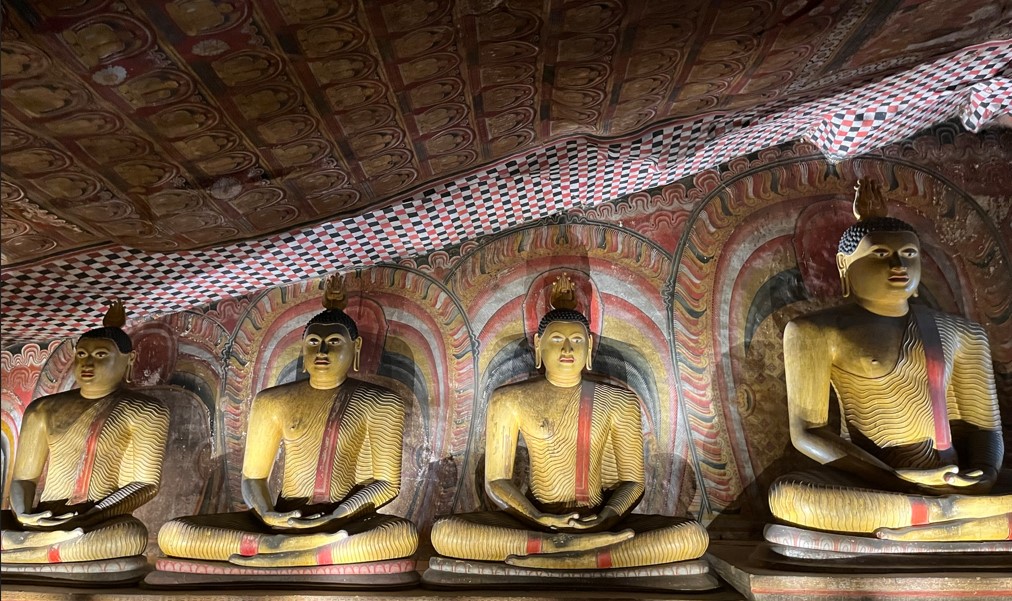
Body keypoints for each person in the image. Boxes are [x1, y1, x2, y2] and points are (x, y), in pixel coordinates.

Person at [769, 179, 1010, 543]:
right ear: (844, 266)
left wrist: (986, 474)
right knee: (787, 496)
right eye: (880, 254)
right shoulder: (814, 332)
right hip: (877, 480)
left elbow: (984, 428)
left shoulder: (963, 332)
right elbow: (808, 432)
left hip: (954, 476)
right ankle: (958, 520)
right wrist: (895, 479)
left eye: (909, 254)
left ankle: (939, 519)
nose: (898, 263)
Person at [430, 274, 709, 569]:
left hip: (599, 521)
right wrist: (538, 517)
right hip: (535, 520)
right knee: (445, 533)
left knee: (690, 536)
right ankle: (577, 552)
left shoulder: (619, 401)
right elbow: (497, 481)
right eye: (557, 340)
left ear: (589, 347)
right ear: (539, 345)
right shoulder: (509, 399)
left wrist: (606, 517)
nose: (567, 350)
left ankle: (559, 553)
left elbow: (632, 482)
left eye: (576, 341)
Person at [157, 274, 418, 567]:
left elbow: (385, 484)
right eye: (314, 342)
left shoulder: (381, 402)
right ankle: (293, 549)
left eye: (333, 342)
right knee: (175, 533)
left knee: (401, 535)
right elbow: (253, 477)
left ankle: (274, 552)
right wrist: (268, 514)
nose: (322, 351)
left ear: (354, 348)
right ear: (303, 348)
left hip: (344, 520)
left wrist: (337, 514)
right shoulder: (272, 401)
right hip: (283, 519)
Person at [1, 302, 169, 568]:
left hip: (95, 522)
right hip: (43, 519)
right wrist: (23, 515)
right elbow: (23, 478)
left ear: (130, 360)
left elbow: (145, 484)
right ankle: (33, 544)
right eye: (81, 355)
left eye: (101, 355)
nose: (87, 363)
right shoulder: (43, 409)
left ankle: (22, 551)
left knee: (131, 536)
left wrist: (87, 516)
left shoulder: (146, 410)